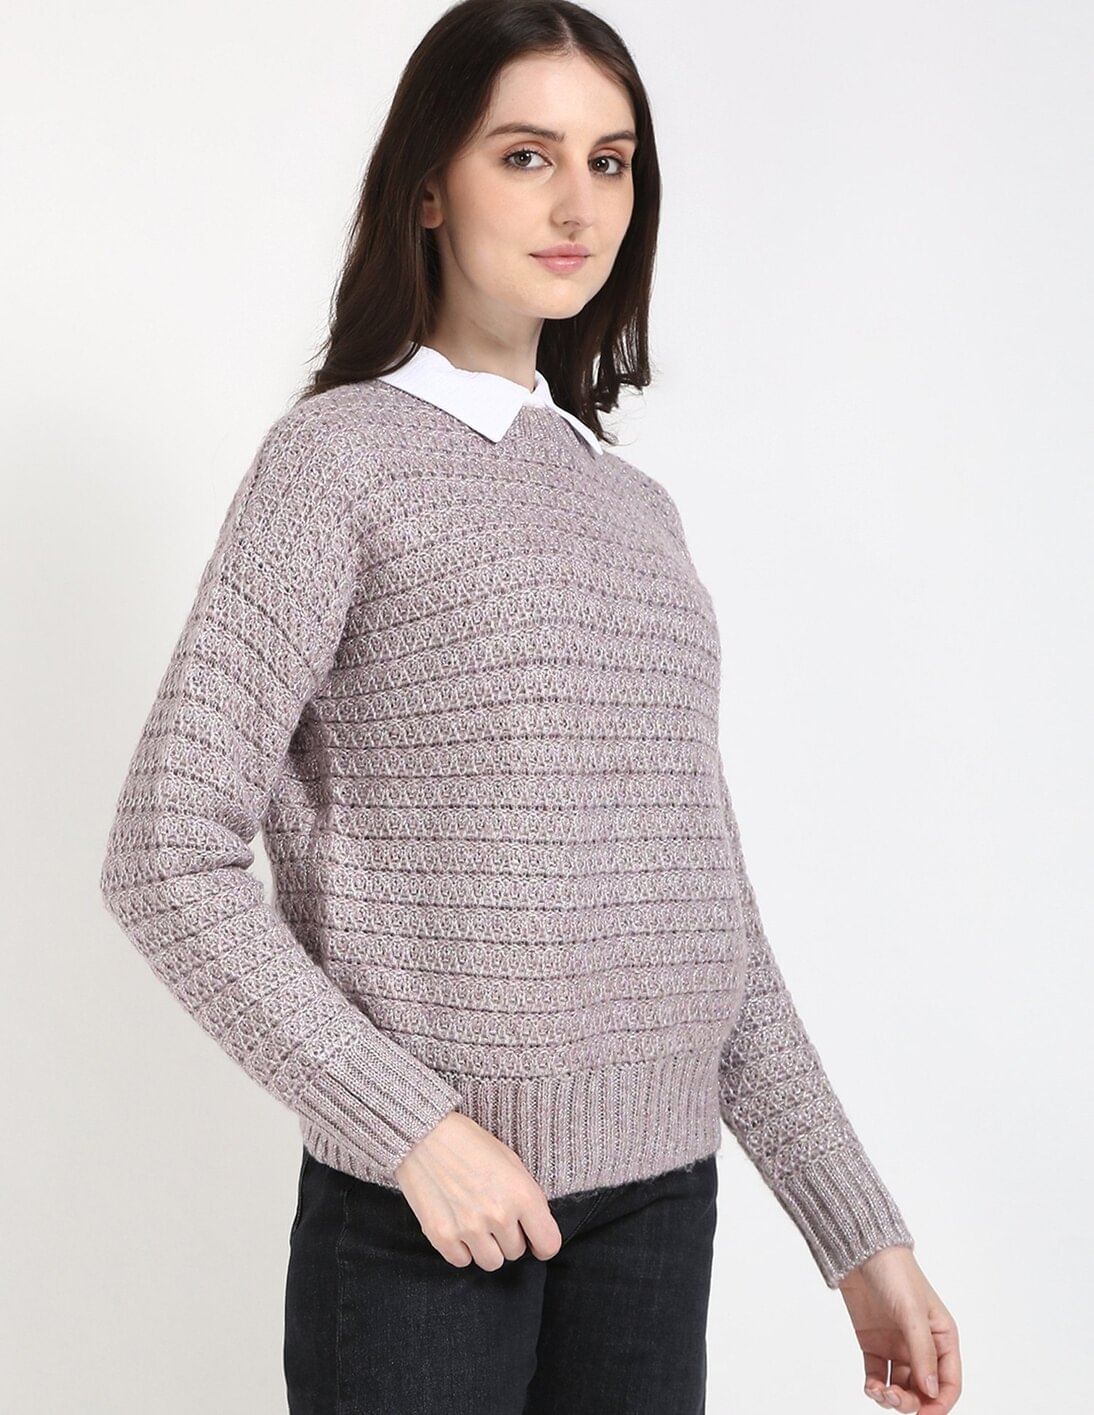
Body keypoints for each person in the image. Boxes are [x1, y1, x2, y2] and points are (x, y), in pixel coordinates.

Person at [98, 1, 962, 1411]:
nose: (578, 205)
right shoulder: (339, 461)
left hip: (660, 1210)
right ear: (428, 188)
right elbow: (164, 854)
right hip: (430, 1221)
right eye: (526, 155)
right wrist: (410, 1130)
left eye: (609, 162)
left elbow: (704, 916)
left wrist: (857, 1232)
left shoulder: (637, 512)